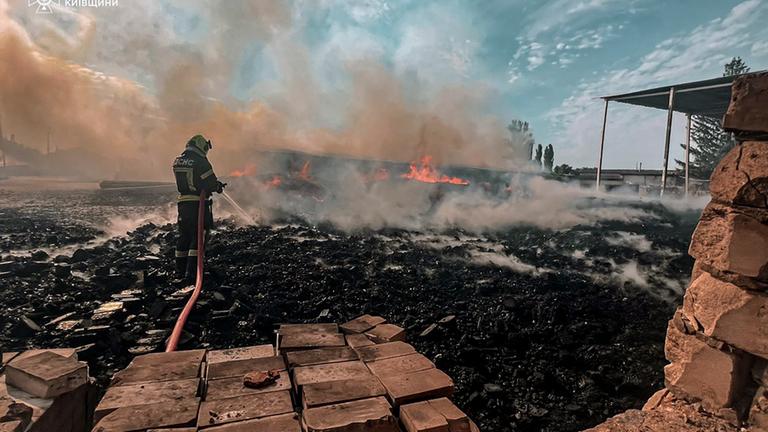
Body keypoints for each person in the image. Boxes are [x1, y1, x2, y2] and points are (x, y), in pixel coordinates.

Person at [172, 134, 225, 283]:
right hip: (198, 205)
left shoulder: (179, 160)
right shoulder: (201, 161)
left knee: (184, 236)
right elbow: (211, 183)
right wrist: (218, 187)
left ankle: (180, 271)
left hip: (183, 204)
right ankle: (193, 272)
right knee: (199, 236)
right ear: (201, 146)